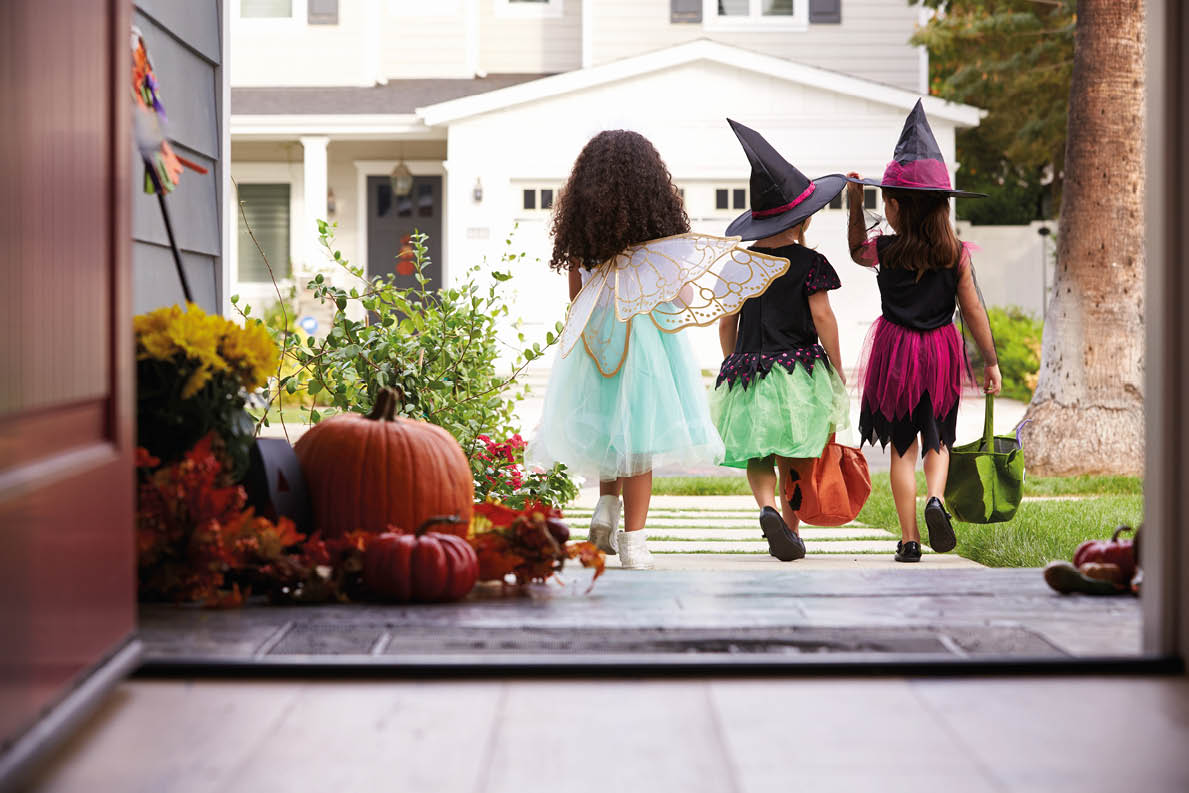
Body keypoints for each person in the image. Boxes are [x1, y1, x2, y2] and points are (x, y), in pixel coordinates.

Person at [527, 129, 790, 569]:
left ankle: (605, 508)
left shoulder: (582, 240)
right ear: (651, 188)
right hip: (646, 344)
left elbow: (576, 298)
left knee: (608, 426)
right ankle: (634, 542)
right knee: (639, 438)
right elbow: (683, 297)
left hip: (596, 343)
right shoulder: (659, 242)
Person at [845, 99, 1001, 563]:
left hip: (895, 352)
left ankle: (909, 538)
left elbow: (855, 250)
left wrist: (854, 202)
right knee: (938, 439)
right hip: (940, 351)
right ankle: (935, 498)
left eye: (885, 201)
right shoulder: (955, 253)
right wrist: (991, 361)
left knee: (902, 448)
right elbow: (972, 309)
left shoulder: (886, 250)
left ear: (894, 206)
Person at [710, 119, 850, 562]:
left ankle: (766, 507)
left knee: (757, 450)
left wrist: (732, 361)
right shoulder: (810, 263)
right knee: (796, 450)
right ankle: (790, 528)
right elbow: (822, 317)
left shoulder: (740, 265)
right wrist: (837, 366)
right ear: (803, 218)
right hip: (798, 372)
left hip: (749, 368)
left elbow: (725, 322)